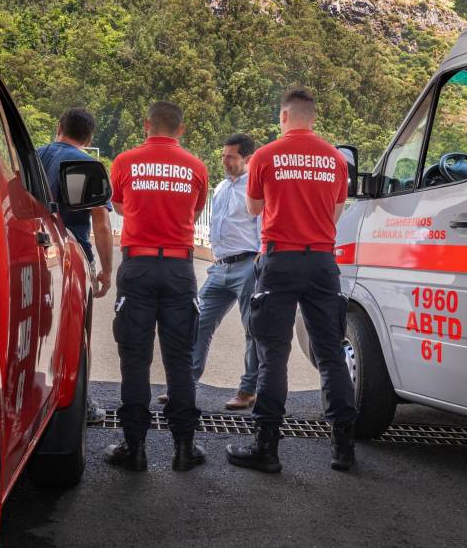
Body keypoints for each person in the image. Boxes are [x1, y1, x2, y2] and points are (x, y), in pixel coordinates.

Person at [227, 89, 358, 473]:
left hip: (279, 260)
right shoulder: (335, 159)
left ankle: (267, 448)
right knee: (331, 353)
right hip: (320, 261)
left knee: (273, 355)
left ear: (284, 116)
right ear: (312, 118)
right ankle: (344, 449)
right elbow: (335, 214)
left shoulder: (266, 156)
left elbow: (253, 208)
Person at [106, 101, 209, 472]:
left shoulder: (124, 161)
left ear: (147, 125)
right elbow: (194, 213)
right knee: (179, 361)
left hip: (138, 267)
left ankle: (134, 449)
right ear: (181, 129)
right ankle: (184, 448)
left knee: (135, 361)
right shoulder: (197, 167)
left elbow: (118, 206)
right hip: (180, 268)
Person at [187, 133, 261, 410]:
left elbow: (264, 225)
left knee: (253, 330)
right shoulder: (220, 188)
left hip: (248, 265)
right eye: (223, 156)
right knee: (197, 321)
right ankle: (186, 384)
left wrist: (259, 261)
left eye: (230, 157)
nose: (224, 161)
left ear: (248, 158)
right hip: (219, 268)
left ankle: (247, 390)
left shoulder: (256, 188)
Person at [37, 108, 113, 298]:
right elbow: (101, 224)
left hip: (35, 252)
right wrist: (107, 270)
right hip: (74, 255)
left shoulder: (32, 157)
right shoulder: (89, 165)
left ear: (59, 127)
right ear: (89, 139)